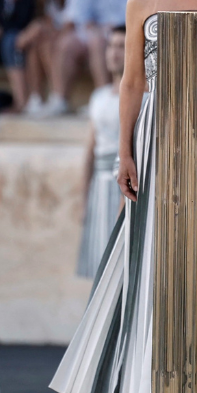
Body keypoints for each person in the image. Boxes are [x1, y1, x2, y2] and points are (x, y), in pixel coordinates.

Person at [50, 0, 197, 393]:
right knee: (151, 253)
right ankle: (140, 391)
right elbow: (132, 82)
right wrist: (125, 151)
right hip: (156, 141)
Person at [77, 26, 124, 279]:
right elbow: (89, 152)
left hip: (124, 184)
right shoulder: (98, 97)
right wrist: (84, 199)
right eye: (111, 46)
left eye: (121, 47)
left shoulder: (142, 96)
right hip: (99, 185)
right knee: (98, 264)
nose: (114, 53)